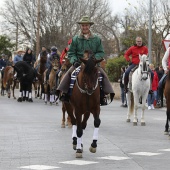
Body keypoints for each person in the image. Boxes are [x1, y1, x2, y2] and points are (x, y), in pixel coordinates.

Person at [57, 16, 115, 105]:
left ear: (89, 26)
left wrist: (94, 59)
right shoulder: (75, 39)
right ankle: (64, 94)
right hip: (79, 63)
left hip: (93, 64)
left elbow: (101, 52)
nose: (84, 27)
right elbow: (71, 52)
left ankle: (103, 95)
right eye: (83, 25)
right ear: (80, 26)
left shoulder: (97, 39)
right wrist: (74, 61)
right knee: (69, 73)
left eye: (86, 25)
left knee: (102, 74)